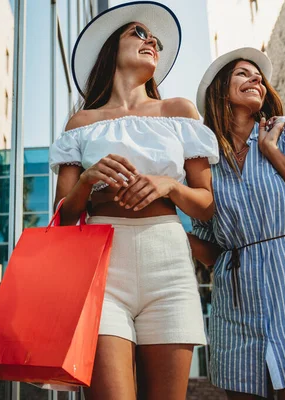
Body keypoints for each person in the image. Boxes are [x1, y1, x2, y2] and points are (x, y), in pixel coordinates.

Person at [49, 2, 219, 399]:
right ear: (112, 48)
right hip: (100, 267)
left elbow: (206, 204)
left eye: (155, 40)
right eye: (139, 33)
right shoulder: (82, 123)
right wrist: (87, 181)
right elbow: (62, 214)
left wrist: (169, 187)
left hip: (170, 264)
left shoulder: (178, 112)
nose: (151, 42)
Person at [189, 47, 285, 400]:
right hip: (235, 307)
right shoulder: (204, 162)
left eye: (258, 75)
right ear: (219, 91)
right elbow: (211, 251)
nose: (256, 77)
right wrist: (164, 228)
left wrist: (272, 153)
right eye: (242, 73)